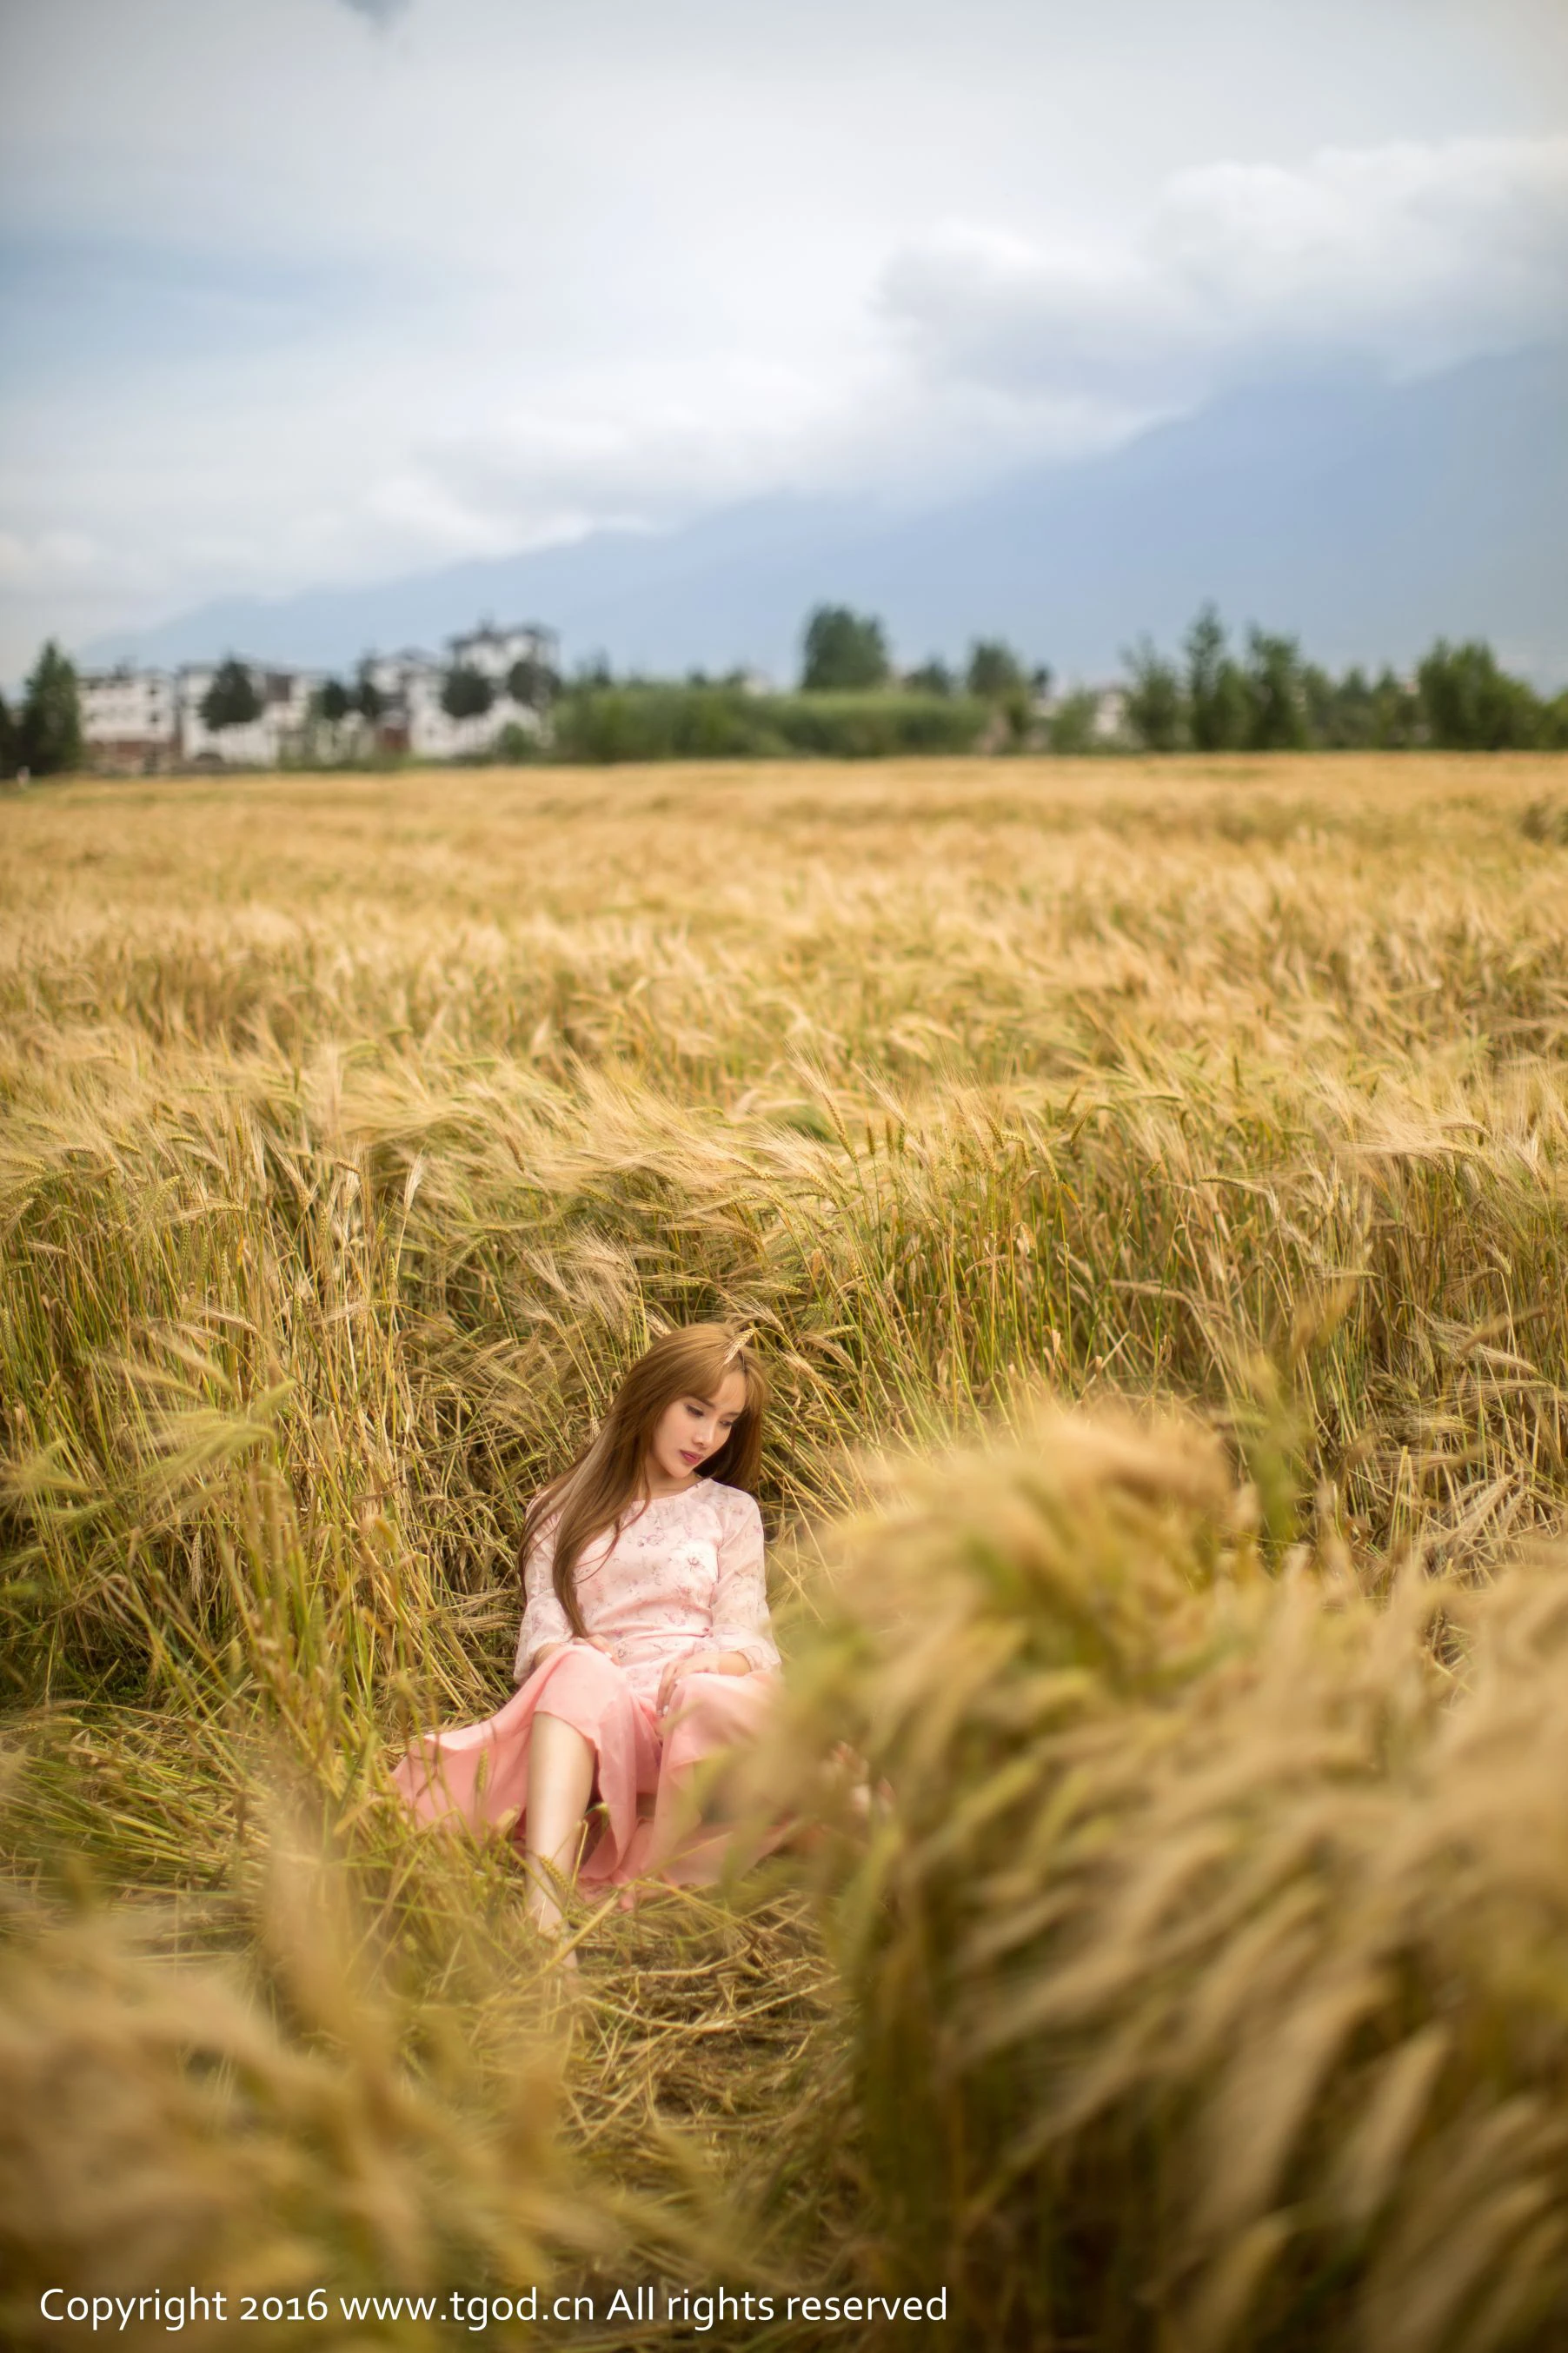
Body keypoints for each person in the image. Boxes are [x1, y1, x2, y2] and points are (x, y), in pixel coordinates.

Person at [388, 1324, 781, 1941]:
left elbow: (747, 1629)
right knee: (576, 1666)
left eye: (727, 1421)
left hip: (696, 1713)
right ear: (652, 1395)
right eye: (696, 1410)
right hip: (608, 1712)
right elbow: (544, 1612)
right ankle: (544, 1916)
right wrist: (561, 1651)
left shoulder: (729, 1511)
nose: (708, 1436)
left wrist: (716, 1664)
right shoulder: (558, 1505)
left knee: (725, 1706)